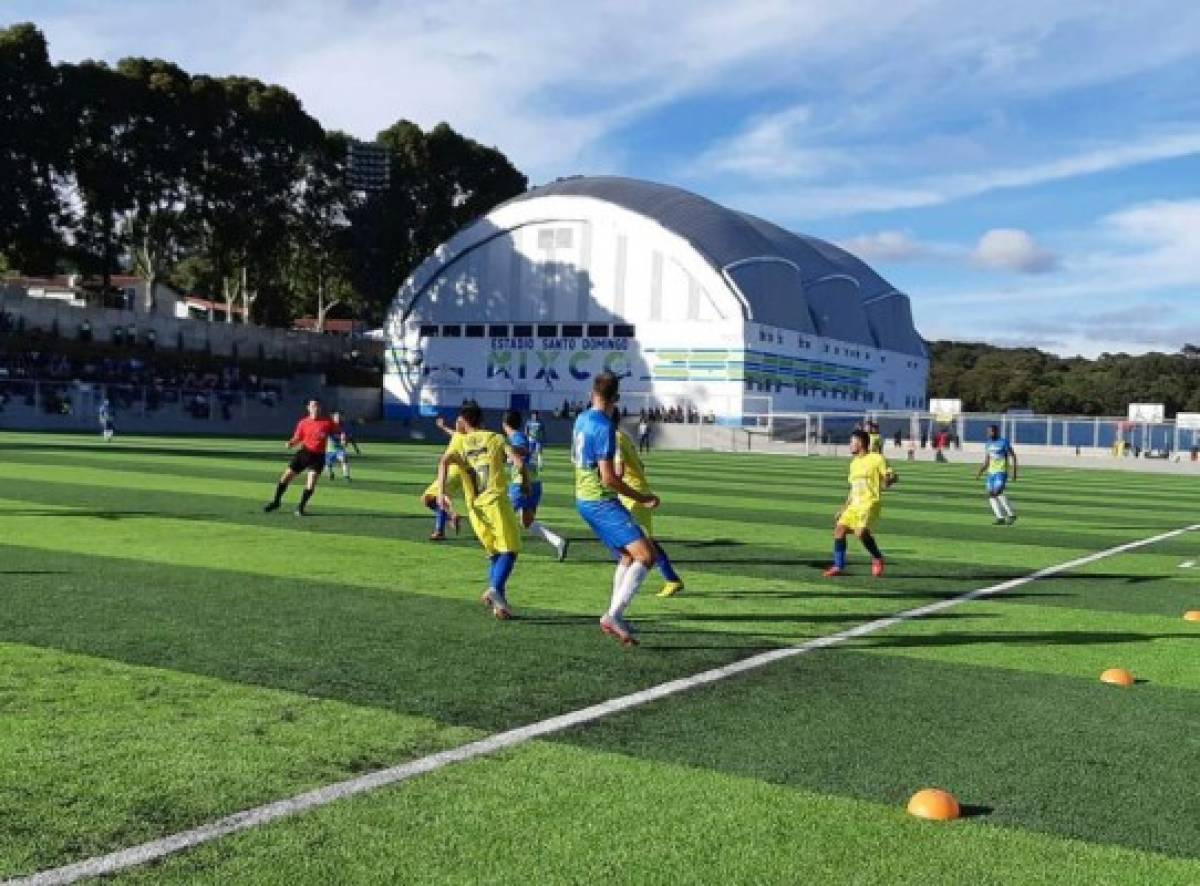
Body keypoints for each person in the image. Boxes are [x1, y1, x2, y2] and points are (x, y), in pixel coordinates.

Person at [573, 372, 661, 645]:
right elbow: (609, 477)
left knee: (626, 555)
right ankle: (614, 615)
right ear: (616, 398)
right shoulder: (605, 427)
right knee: (647, 556)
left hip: (583, 498)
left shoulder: (581, 418)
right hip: (600, 500)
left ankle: (613, 615)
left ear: (592, 394)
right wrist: (642, 497)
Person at [436, 401, 524, 619]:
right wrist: (525, 479)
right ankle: (494, 589)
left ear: (464, 422)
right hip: (495, 501)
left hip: (475, 509)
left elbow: (444, 461)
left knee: (495, 553)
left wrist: (441, 492)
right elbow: (518, 462)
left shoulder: (461, 443)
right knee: (510, 550)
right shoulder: (495, 438)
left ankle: (500, 606)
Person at [613, 405, 683, 597]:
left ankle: (671, 579)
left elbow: (618, 472)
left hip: (632, 496)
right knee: (631, 541)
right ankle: (669, 579)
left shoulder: (613, 439)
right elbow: (640, 465)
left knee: (640, 543)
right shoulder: (622, 436)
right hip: (633, 492)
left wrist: (607, 483)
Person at [824, 429, 896, 578]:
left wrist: (889, 479)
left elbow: (891, 475)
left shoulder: (877, 458)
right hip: (854, 505)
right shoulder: (853, 464)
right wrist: (843, 508)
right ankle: (838, 566)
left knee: (860, 533)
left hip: (870, 503)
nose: (850, 445)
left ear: (861, 442)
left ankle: (877, 557)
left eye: (852, 442)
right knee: (839, 531)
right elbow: (853, 489)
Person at [502, 409, 569, 561]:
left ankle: (503, 550)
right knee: (527, 522)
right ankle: (558, 542)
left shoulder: (516, 437)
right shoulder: (521, 436)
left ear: (504, 424)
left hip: (522, 484)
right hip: (535, 484)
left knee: (503, 516)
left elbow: (522, 451)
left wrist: (508, 450)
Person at [264, 399, 344, 517]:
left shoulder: (327, 422)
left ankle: (300, 508)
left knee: (311, 483)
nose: (315, 408)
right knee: (286, 477)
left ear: (320, 408)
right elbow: (298, 437)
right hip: (304, 453)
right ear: (308, 408)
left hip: (318, 457)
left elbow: (339, 431)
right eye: (313, 405)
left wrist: (342, 437)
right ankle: (276, 501)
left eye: (317, 405)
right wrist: (291, 443)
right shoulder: (303, 422)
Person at [424, 416, 464, 541]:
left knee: (434, 497)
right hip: (460, 474)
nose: (456, 423)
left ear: (464, 424)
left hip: (451, 472)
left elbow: (454, 434)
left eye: (459, 421)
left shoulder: (459, 436)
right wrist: (443, 427)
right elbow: (453, 433)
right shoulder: (466, 437)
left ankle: (441, 529)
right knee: (429, 499)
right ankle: (449, 518)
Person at [977, 424, 1018, 525]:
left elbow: (1013, 456)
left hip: (1001, 471)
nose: (990, 433)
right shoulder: (988, 444)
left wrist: (1014, 472)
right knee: (991, 494)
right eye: (988, 431)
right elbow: (987, 460)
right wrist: (980, 471)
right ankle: (1000, 517)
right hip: (991, 473)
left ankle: (1011, 514)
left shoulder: (1004, 442)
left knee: (997, 492)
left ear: (996, 432)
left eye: (991, 431)